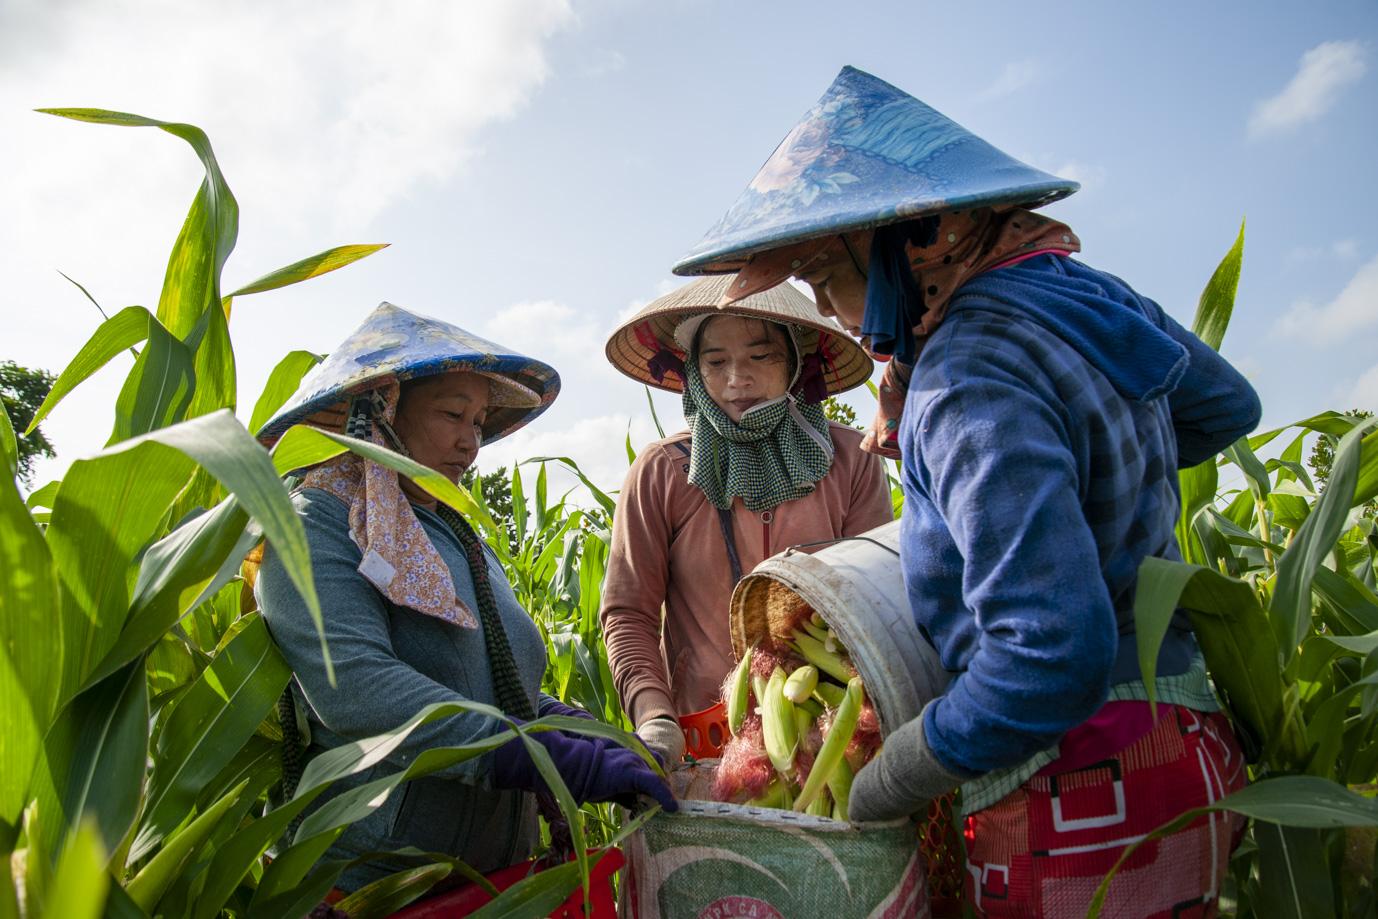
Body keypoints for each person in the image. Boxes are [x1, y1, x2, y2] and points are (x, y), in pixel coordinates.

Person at [674, 67, 1260, 916]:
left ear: (908, 242)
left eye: (827, 273)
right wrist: (1101, 471)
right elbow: (1225, 405)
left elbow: (1050, 655)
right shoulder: (1076, 293)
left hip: (1080, 781)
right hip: (1188, 739)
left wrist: (894, 775)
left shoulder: (965, 374)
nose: (828, 307)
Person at [255, 302, 675, 893]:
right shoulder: (315, 524)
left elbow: (493, 680)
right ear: (383, 412)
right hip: (377, 882)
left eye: (478, 423)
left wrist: (571, 728)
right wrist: (528, 751)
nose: (470, 442)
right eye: (453, 414)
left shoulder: (455, 534)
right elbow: (354, 686)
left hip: (492, 877)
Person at [601, 275, 892, 764]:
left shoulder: (850, 460)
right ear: (695, 370)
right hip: (705, 736)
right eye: (716, 362)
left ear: (794, 362)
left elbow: (876, 601)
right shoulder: (663, 470)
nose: (737, 379)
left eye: (761, 356)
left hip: (833, 731)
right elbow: (629, 612)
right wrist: (655, 717)